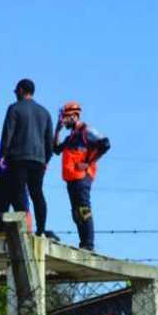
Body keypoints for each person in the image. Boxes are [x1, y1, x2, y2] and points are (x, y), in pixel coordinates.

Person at [0, 79, 55, 238]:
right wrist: (46, 159)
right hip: (38, 159)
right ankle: (41, 229)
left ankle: (23, 228)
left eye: (17, 90)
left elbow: (8, 133)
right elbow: (49, 140)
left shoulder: (14, 109)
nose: (15, 93)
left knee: (18, 192)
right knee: (37, 193)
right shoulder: (44, 112)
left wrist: (3, 154)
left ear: (22, 90)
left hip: (18, 158)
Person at [54, 101, 111, 250]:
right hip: (71, 179)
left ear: (74, 116)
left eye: (66, 117)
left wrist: (88, 162)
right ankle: (83, 243)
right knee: (76, 212)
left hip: (82, 177)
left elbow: (105, 143)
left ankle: (89, 245)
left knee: (83, 209)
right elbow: (55, 149)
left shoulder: (86, 131)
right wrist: (57, 130)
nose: (63, 120)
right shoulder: (70, 137)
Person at [0, 137, 33, 234]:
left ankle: (28, 235)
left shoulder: (21, 145)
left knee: (23, 210)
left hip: (16, 179)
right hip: (1, 180)